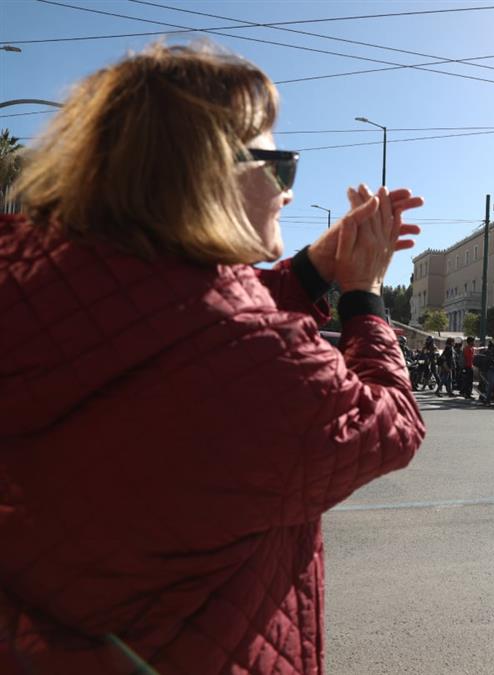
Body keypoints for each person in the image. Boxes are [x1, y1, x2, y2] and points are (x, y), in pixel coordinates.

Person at [0, 43, 426, 675]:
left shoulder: (39, 279)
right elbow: (387, 426)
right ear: (208, 173)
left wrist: (312, 270)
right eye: (279, 166)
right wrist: (363, 295)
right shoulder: (255, 358)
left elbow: (171, 323)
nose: (287, 192)